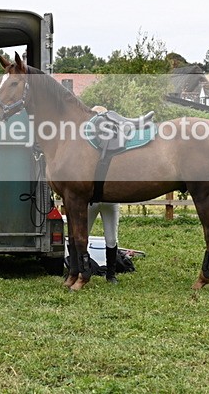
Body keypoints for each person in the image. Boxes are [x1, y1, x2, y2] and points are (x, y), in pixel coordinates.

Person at [88, 105, 122, 284]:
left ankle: (111, 273)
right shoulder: (88, 147)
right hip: (94, 199)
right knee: (82, 234)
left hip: (108, 198)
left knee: (111, 237)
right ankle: (82, 268)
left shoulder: (115, 148)